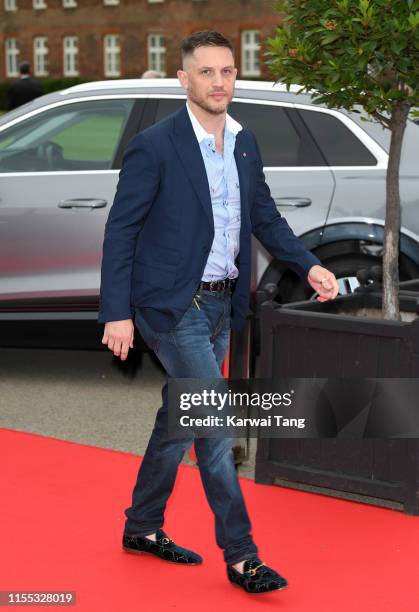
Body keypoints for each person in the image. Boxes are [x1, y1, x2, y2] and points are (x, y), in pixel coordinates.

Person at [99, 30, 339, 595]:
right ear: (183, 80)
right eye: (205, 72)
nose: (219, 82)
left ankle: (141, 526)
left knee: (178, 424)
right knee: (213, 426)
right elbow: (122, 230)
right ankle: (242, 555)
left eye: (227, 71)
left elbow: (267, 219)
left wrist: (308, 265)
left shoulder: (245, 142)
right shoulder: (155, 145)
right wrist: (117, 312)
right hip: (171, 304)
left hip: (222, 303)